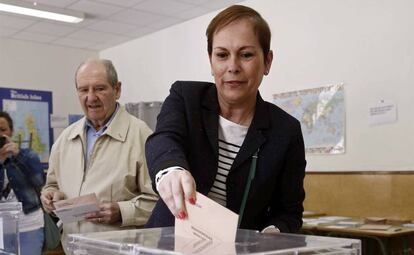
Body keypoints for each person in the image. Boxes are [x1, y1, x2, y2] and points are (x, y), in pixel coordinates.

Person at [145, 5, 306, 233]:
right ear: (211, 60)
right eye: (222, 55)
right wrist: (171, 170)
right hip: (169, 242)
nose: (233, 67)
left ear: (267, 61)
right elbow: (164, 139)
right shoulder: (185, 97)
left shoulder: (286, 131)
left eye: (246, 55)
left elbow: (289, 212)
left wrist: (274, 232)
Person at [40, 59, 158, 245]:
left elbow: (160, 201)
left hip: (119, 250)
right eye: (84, 90)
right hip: (74, 248)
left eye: (100, 88)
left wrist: (122, 211)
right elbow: (52, 185)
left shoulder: (142, 136)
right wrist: (49, 196)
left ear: (117, 90)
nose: (91, 97)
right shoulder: (65, 138)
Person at [0, 111, 45, 254]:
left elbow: (39, 181)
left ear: (11, 131)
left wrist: (18, 155)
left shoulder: (27, 155)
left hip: (29, 225)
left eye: (3, 130)